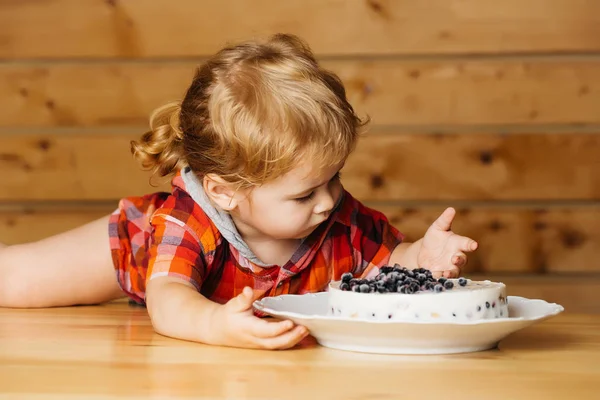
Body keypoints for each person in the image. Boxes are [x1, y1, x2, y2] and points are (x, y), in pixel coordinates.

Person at [0, 34, 477, 350]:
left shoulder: (338, 219)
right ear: (224, 192)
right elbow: (167, 299)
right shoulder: (189, 220)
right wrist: (215, 325)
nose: (330, 200)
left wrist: (420, 257)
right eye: (304, 194)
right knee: (14, 279)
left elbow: (388, 266)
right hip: (137, 245)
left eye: (335, 178)